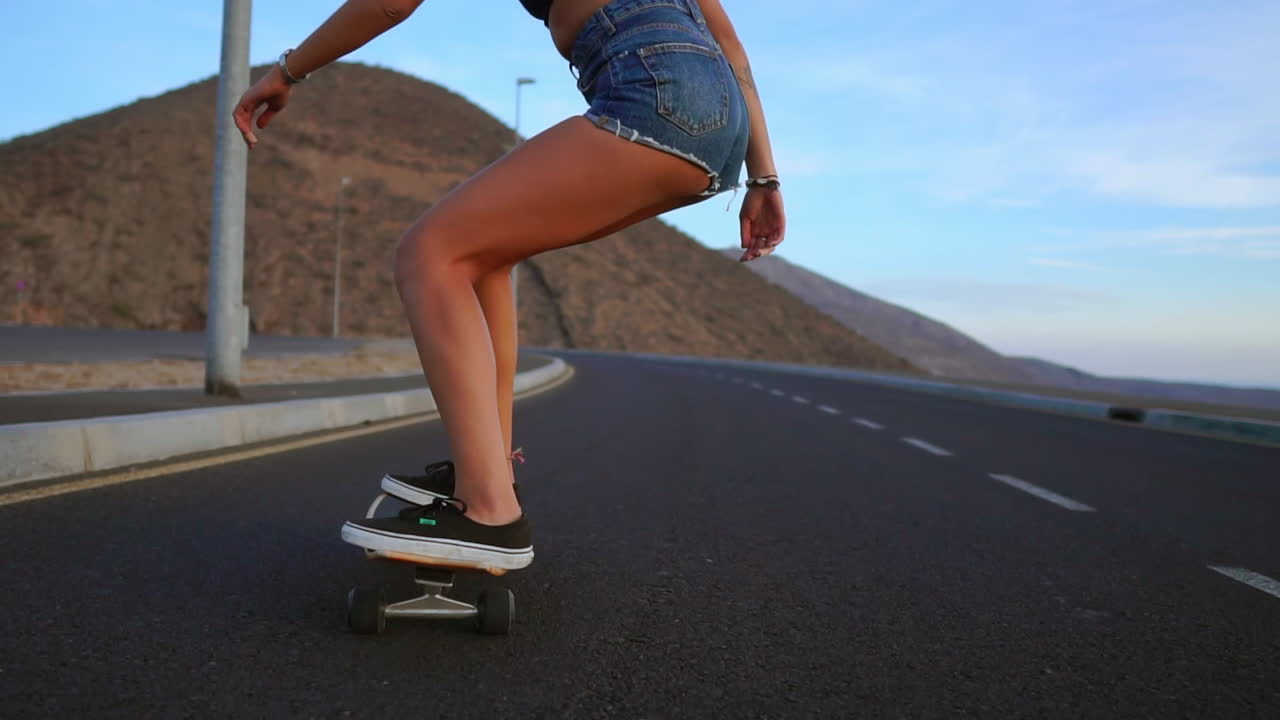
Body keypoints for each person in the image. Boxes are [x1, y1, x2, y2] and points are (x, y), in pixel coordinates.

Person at [233, 0, 785, 573]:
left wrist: (287, 71)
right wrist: (764, 176)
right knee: (485, 259)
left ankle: (490, 513)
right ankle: (488, 473)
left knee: (429, 254)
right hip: (718, 119)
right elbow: (731, 47)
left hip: (652, 89)